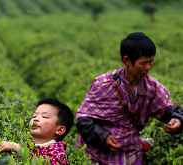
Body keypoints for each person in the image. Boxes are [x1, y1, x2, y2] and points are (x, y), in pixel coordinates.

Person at [75, 32, 183, 165]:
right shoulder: (104, 84)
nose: (148, 67)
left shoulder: (151, 87)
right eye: (143, 63)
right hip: (96, 154)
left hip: (130, 154)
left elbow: (168, 109)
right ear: (127, 60)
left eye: (151, 62)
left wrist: (176, 120)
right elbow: (83, 120)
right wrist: (103, 137)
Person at [0, 98, 74, 165]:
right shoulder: (28, 144)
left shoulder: (58, 152)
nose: (35, 119)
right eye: (34, 116)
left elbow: (43, 163)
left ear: (60, 130)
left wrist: (17, 148)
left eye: (45, 116)